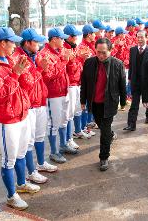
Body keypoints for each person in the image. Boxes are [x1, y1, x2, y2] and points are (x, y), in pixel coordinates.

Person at [0, 27, 40, 210]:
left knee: (21, 153)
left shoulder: (13, 59)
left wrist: (24, 71)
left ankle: (21, 184)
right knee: (9, 159)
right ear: (2, 43)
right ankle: (11, 195)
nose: (15, 45)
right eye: (11, 42)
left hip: (22, 113)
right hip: (7, 119)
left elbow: (28, 84)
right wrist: (16, 73)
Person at [13, 28, 58, 186]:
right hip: (29, 105)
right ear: (27, 43)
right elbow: (27, 84)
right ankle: (31, 172)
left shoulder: (36, 56)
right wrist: (40, 69)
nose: (39, 44)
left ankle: (40, 163)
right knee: (28, 141)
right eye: (36, 42)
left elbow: (45, 78)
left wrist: (45, 69)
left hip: (40, 101)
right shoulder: (18, 58)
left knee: (40, 135)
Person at [80, 38, 126, 171]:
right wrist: (83, 101)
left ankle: (104, 157)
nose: (100, 55)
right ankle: (110, 135)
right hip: (95, 103)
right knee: (101, 126)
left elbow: (122, 85)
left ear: (110, 51)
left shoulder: (117, 64)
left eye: (104, 52)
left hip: (109, 103)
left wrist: (123, 102)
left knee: (104, 130)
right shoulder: (89, 63)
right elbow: (85, 84)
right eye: (98, 52)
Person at [37, 27, 73, 164]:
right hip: (53, 94)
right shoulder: (44, 54)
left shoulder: (60, 51)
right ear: (54, 39)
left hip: (64, 90)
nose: (63, 41)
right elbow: (48, 76)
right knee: (54, 123)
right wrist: (63, 61)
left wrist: (68, 59)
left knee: (64, 119)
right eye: (61, 38)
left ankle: (63, 144)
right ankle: (53, 151)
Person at [63, 24, 92, 141]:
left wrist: (82, 59)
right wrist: (79, 58)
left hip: (77, 81)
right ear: (69, 37)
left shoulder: (74, 47)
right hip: (70, 83)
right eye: (75, 36)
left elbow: (79, 66)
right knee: (69, 112)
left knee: (78, 108)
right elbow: (69, 68)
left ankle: (79, 130)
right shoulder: (65, 49)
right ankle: (70, 137)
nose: (76, 38)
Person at [123, 30, 148, 131]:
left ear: (147, 38)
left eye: (142, 37)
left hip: (147, 81)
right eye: (138, 37)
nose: (140, 39)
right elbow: (132, 65)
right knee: (134, 104)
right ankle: (131, 124)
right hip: (135, 81)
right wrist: (129, 79)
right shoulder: (132, 50)